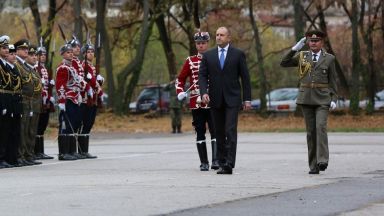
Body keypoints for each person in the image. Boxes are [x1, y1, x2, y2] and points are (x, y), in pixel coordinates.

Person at [280, 30, 338, 175]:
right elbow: (284, 63)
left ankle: (322, 160)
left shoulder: (329, 58)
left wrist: (334, 99)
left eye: (316, 41)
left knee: (320, 127)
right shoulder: (302, 56)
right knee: (310, 133)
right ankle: (313, 166)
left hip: (323, 99)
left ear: (322, 42)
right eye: (311, 41)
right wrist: (295, 48)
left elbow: (333, 81)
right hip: (306, 98)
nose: (313, 43)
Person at [199, 27, 252, 175]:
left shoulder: (238, 54)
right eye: (217, 35)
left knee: (230, 130)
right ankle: (222, 162)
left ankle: (229, 163)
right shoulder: (208, 56)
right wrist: (204, 93)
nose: (218, 37)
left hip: (233, 99)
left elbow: (245, 78)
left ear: (229, 38)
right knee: (219, 132)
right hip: (215, 99)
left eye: (222, 35)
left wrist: (247, 99)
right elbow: (202, 76)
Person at [176, 31, 219, 171]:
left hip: (212, 100)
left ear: (207, 43)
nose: (201, 45)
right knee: (200, 130)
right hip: (196, 101)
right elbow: (180, 79)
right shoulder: (190, 61)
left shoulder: (215, 58)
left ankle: (216, 161)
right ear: (196, 44)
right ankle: (204, 162)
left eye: (203, 43)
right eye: (198, 43)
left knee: (215, 130)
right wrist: (180, 91)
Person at [15, 40, 42, 166]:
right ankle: (21, 155)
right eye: (23, 49)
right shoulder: (17, 65)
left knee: (31, 130)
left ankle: (28, 154)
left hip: (33, 102)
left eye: (27, 49)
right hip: (24, 101)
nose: (26, 51)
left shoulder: (28, 68)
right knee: (23, 130)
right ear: (17, 51)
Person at [55, 43, 83, 161]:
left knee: (74, 124)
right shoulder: (63, 68)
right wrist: (61, 101)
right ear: (62, 54)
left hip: (75, 99)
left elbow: (78, 82)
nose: (71, 54)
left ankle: (71, 150)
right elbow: (60, 86)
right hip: (67, 99)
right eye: (68, 52)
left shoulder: (72, 68)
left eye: (71, 52)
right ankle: (63, 152)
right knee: (65, 125)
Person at [78, 41, 103, 159]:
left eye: (92, 52)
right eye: (88, 52)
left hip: (93, 99)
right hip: (85, 99)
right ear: (84, 54)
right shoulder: (83, 66)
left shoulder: (92, 67)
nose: (91, 54)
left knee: (90, 123)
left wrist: (99, 82)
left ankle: (85, 150)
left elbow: (95, 83)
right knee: (85, 123)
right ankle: (82, 150)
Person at [4, 43, 23, 167]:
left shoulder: (15, 67)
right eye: (11, 54)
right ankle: (5, 158)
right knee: (7, 132)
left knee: (15, 132)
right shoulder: (5, 67)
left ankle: (13, 158)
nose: (13, 56)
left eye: (14, 53)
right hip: (8, 101)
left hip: (16, 102)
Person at [35, 43, 55, 159]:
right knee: (38, 126)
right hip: (40, 100)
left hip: (46, 100)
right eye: (41, 55)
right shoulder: (35, 68)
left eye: (44, 55)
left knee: (43, 125)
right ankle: (37, 151)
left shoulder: (44, 68)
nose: (43, 56)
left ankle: (41, 151)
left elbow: (47, 86)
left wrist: (49, 94)